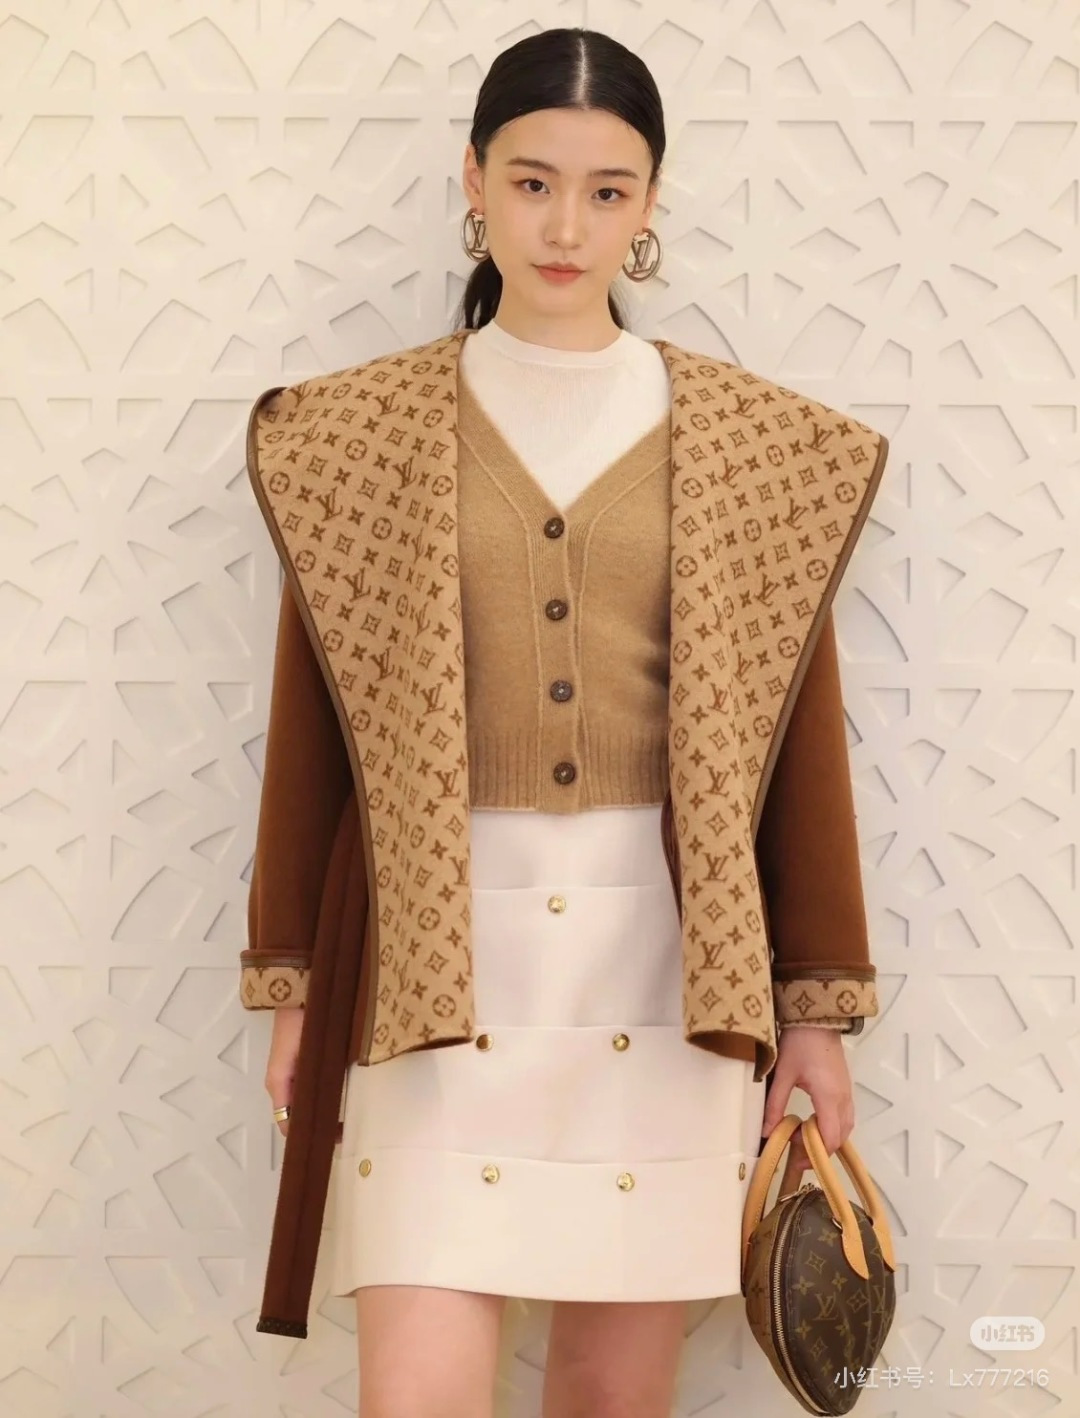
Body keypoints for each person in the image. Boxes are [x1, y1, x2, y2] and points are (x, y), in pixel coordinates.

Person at [240, 26, 888, 1418]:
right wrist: (293, 978)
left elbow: (797, 743)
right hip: (430, 961)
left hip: (665, 968)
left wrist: (815, 1013)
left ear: (651, 203)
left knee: (610, 1396)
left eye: (607, 190)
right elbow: (316, 726)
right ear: (472, 179)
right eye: (533, 182)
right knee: (414, 1395)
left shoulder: (754, 447)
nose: (565, 226)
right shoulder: (357, 436)